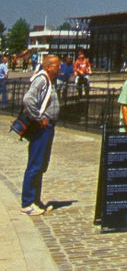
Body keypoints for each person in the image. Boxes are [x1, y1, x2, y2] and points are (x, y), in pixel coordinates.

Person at [20, 53, 60, 216]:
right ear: (48, 66)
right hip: (41, 128)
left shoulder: (50, 81)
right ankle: (27, 202)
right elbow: (28, 100)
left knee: (41, 164)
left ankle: (36, 200)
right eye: (57, 65)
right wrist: (39, 118)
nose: (59, 68)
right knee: (35, 163)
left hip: (48, 128)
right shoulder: (42, 79)